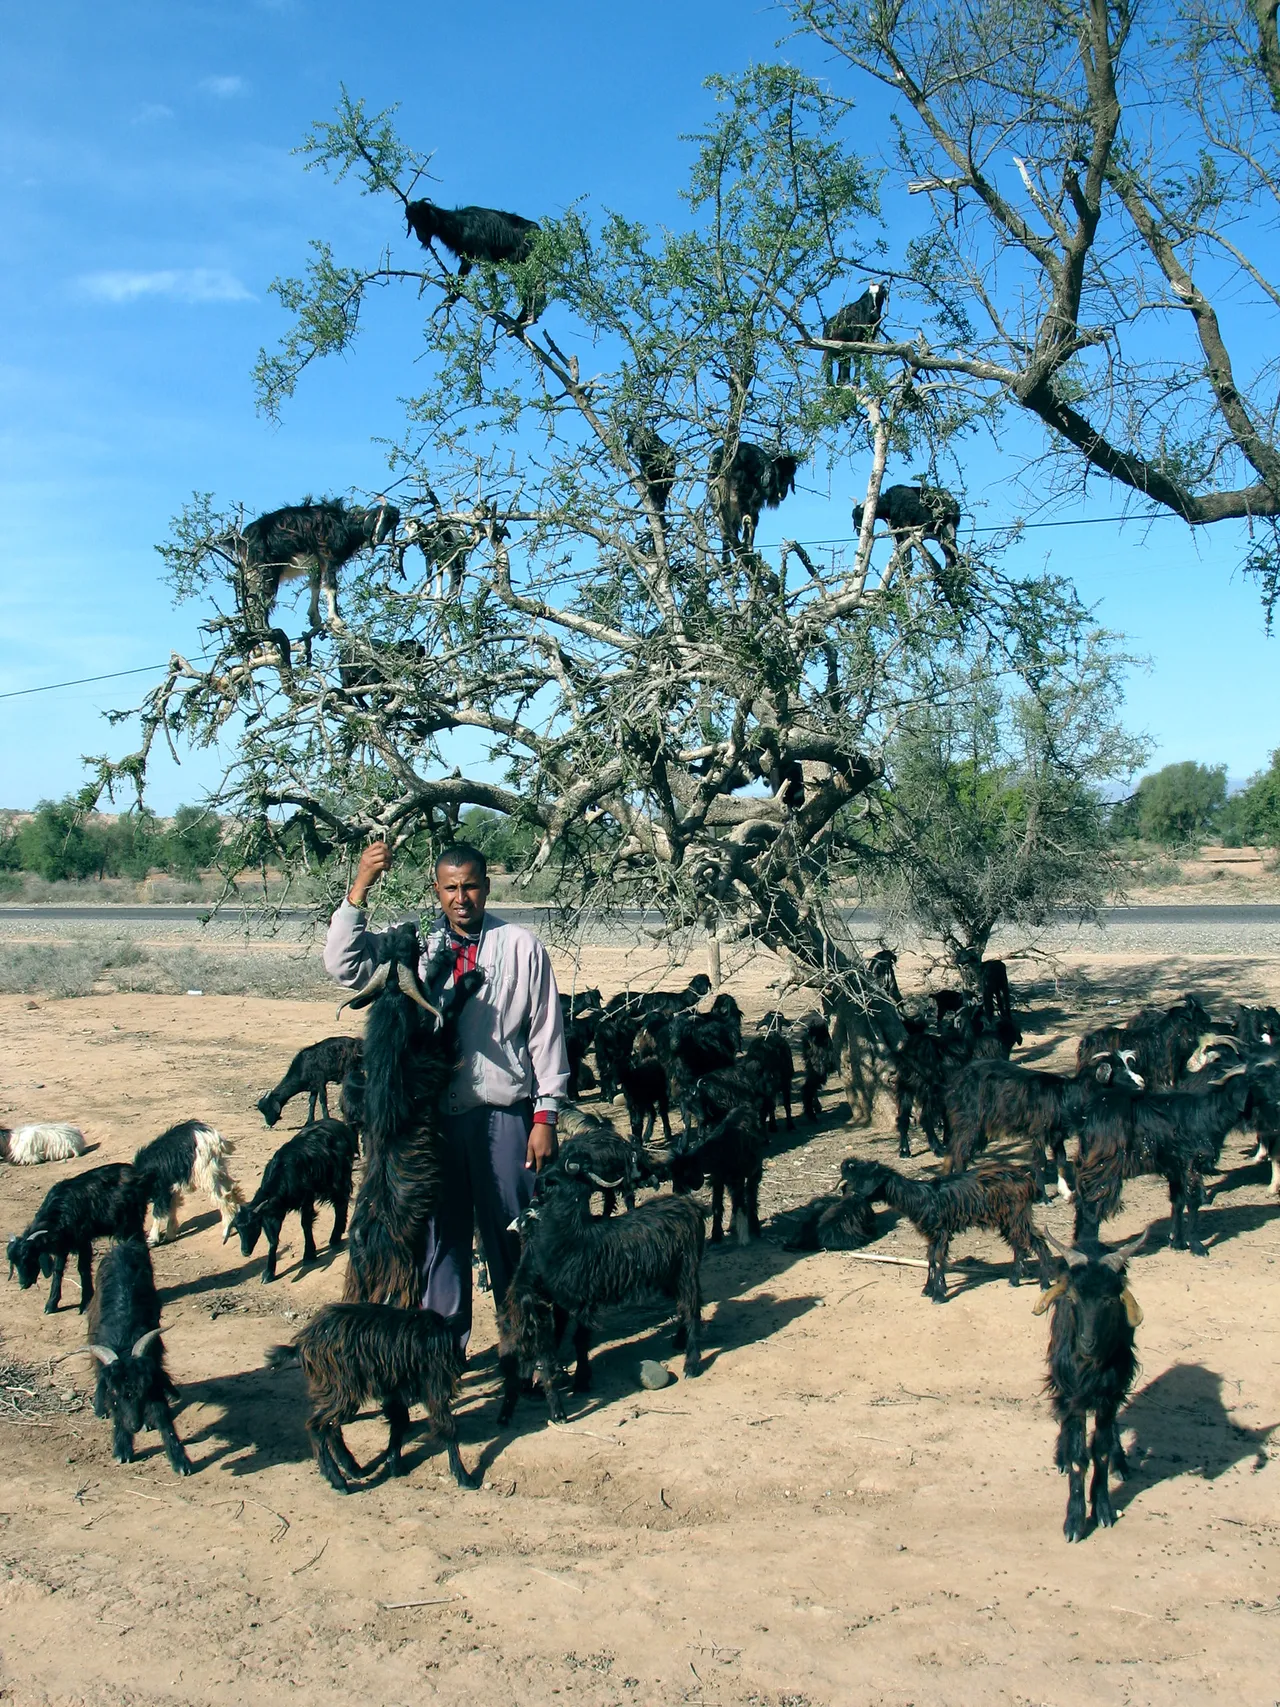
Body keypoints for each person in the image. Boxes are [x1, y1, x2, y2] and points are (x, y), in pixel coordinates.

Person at [324, 839, 569, 1348]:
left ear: (487, 886)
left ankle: (525, 1348)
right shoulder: (418, 945)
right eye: (451, 888)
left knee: (514, 1235)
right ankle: (443, 1353)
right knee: (440, 1242)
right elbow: (343, 966)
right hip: (433, 1123)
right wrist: (361, 885)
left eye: (471, 886)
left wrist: (545, 1116)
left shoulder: (521, 947)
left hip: (504, 1114)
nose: (462, 898)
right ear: (437, 891)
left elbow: (546, 1034)